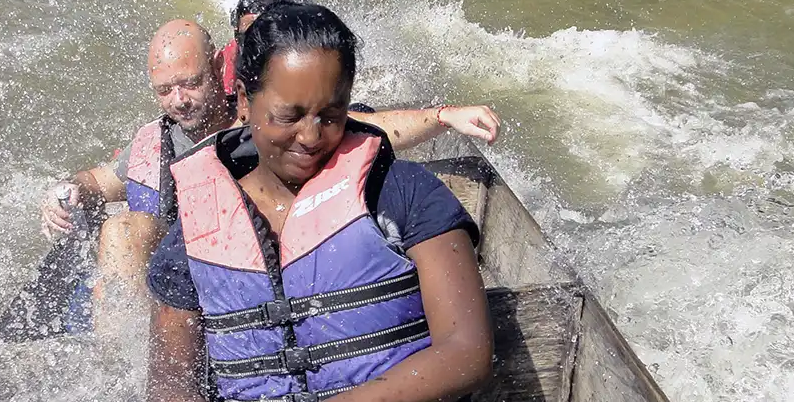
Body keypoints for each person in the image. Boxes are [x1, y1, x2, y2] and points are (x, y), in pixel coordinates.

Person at [145, 3, 652, 402]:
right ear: (243, 100)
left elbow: (466, 350)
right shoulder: (192, 228)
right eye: (288, 115)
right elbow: (168, 386)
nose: (311, 136)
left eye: (330, 113)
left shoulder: (404, 192)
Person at [40, 19, 503, 300]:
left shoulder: (264, 120)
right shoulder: (151, 142)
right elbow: (99, 180)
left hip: (258, 268)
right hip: (180, 287)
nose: (179, 100)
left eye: (191, 83)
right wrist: (68, 189)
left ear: (220, 68)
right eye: (165, 90)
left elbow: (368, 128)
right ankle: (125, 378)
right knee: (120, 231)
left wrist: (443, 116)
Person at [220, 0, 289, 95]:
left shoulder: (295, 60)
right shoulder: (227, 60)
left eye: (262, 35)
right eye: (247, 36)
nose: (254, 45)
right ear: (236, 33)